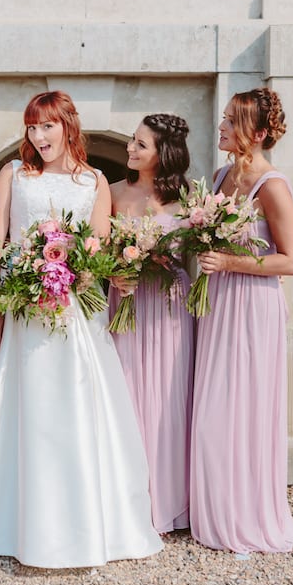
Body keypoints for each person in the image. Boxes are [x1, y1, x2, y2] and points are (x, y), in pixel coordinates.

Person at [0, 90, 163, 568]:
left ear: (68, 125)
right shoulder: (13, 175)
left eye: (46, 126)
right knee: (27, 407)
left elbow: (99, 250)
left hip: (75, 314)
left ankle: (85, 523)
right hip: (25, 309)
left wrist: (83, 272)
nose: (37, 136)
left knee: (77, 404)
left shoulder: (95, 181)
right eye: (31, 127)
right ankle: (13, 522)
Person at [191, 87, 293, 553]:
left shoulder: (272, 186)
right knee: (211, 409)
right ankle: (213, 507)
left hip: (253, 305)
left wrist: (230, 263)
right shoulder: (218, 175)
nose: (223, 125)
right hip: (217, 301)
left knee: (243, 407)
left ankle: (247, 515)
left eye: (232, 120)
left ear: (260, 132)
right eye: (225, 117)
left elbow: (290, 261)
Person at [108, 113, 194, 534]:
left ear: (164, 153)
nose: (131, 149)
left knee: (167, 401)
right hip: (126, 303)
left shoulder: (191, 198)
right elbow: (97, 250)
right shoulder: (111, 193)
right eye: (132, 141)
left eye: (141, 144)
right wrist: (114, 272)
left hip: (169, 306)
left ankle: (169, 500)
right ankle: (128, 501)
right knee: (125, 398)